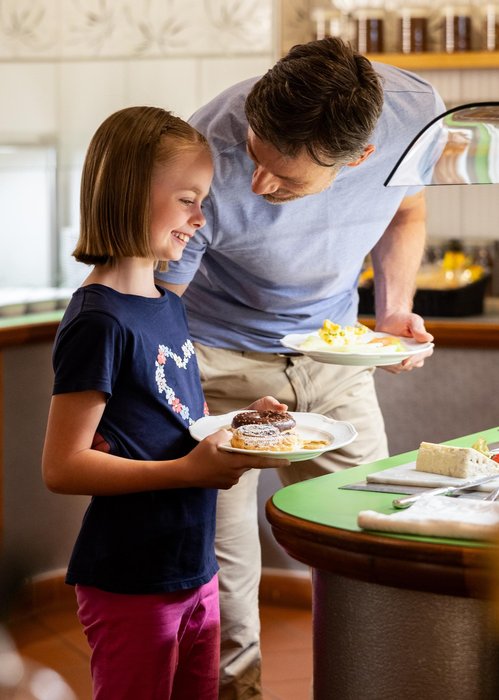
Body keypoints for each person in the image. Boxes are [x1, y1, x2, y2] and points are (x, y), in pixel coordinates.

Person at [154, 37, 447, 699]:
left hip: (332, 354)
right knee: (220, 565)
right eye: (256, 158)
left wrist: (393, 311)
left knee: (373, 537)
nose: (259, 184)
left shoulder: (415, 114)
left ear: (359, 158)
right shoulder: (201, 147)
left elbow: (405, 210)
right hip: (214, 358)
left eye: (284, 179)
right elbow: (158, 302)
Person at [41, 105, 290, 700]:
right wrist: (187, 471)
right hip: (130, 576)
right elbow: (62, 466)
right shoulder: (98, 320)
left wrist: (242, 422)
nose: (201, 219)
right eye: (187, 199)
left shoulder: (167, 302)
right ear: (129, 193)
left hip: (193, 563)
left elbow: (175, 420)